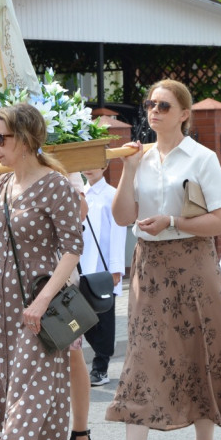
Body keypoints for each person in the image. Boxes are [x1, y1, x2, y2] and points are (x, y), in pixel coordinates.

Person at [101, 79, 221, 440]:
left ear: (184, 114)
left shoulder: (200, 158)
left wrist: (173, 221)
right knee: (142, 355)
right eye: (150, 104)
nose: (154, 111)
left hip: (193, 263)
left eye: (164, 106)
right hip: (149, 266)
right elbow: (120, 217)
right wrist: (128, 170)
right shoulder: (140, 157)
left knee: (197, 350)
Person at [0, 102, 84, 440]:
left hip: (41, 310)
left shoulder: (56, 185)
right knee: (27, 408)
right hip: (0, 309)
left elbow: (72, 249)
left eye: (1, 137)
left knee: (21, 413)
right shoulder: (1, 184)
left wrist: (42, 301)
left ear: (27, 139)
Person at [79, 165, 127, 387]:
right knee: (82, 317)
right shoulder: (78, 194)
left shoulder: (112, 195)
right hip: (79, 265)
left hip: (103, 266)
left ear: (105, 165)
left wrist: (116, 268)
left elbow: (118, 231)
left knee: (105, 318)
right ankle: (100, 354)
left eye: (93, 164)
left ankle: (101, 366)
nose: (89, 169)